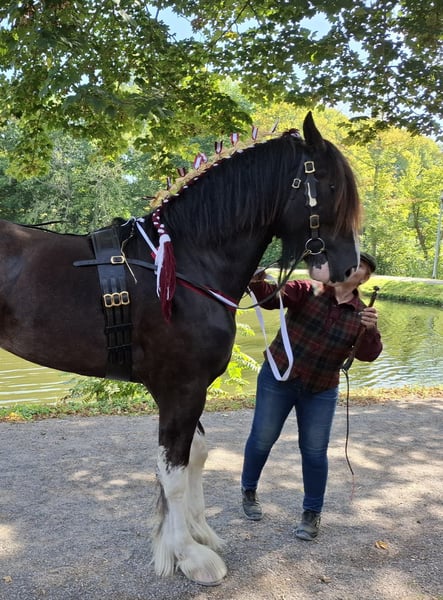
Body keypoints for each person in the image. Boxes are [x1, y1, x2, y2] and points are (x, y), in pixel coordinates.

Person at [241, 252, 382, 541]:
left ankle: (312, 512)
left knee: (315, 451)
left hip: (321, 388)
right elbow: (270, 299)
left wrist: (371, 330)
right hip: (279, 377)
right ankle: (249, 490)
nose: (350, 265)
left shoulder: (362, 312)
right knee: (262, 438)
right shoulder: (307, 289)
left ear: (364, 278)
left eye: (358, 266)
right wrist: (256, 279)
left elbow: (369, 355)